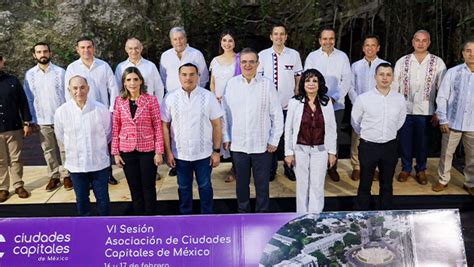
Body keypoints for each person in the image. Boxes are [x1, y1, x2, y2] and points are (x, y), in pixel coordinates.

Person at [223, 48, 284, 213]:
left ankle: (262, 215)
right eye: (244, 62)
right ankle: (243, 214)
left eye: (251, 61)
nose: (247, 65)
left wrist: (274, 140)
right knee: (241, 185)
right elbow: (225, 114)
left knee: (262, 185)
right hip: (238, 144)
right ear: (239, 63)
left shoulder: (267, 84)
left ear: (258, 64)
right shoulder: (231, 84)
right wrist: (226, 136)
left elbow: (277, 115)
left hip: (262, 145)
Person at [161, 63, 222, 214]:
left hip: (203, 153)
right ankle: (185, 218)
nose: (188, 78)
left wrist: (216, 151)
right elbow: (165, 126)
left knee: (205, 186)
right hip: (180, 154)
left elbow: (217, 125)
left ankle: (207, 217)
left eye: (192, 74)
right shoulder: (169, 98)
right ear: (179, 76)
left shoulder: (208, 96)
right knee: (184, 187)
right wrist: (168, 152)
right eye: (184, 74)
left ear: (198, 76)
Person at [393, 30, 446, 185]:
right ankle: (406, 168)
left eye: (424, 40)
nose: (420, 43)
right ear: (413, 42)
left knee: (423, 142)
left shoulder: (437, 62)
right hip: (405, 109)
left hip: (426, 110)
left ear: (429, 42)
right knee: (404, 141)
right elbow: (395, 86)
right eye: (418, 40)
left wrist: (439, 111)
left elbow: (443, 89)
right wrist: (395, 109)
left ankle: (421, 169)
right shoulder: (402, 61)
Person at [65, 36, 120, 185]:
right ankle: (88, 177)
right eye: (82, 47)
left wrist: (112, 110)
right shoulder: (72, 68)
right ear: (77, 50)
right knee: (85, 144)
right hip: (82, 113)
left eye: (89, 47)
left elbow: (113, 88)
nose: (86, 50)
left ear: (94, 48)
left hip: (101, 112)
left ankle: (108, 174)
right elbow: (68, 91)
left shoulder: (103, 66)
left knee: (104, 144)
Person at [352, 63, 406, 210]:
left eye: (388, 74)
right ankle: (362, 213)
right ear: (375, 77)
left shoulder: (399, 99)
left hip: (390, 146)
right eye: (381, 74)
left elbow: (400, 121)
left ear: (393, 78)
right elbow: (355, 122)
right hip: (369, 146)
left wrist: (388, 133)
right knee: (365, 183)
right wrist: (369, 135)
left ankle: (386, 213)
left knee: (387, 183)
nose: (385, 78)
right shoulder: (363, 98)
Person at [54, 75, 111, 216]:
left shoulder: (100, 109)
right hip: (76, 165)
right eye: (75, 88)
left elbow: (108, 133)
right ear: (69, 90)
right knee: (82, 199)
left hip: (99, 164)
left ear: (88, 89)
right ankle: (86, 229)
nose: (79, 91)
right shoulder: (62, 112)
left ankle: (105, 227)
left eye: (82, 87)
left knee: (103, 199)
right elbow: (60, 135)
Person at [112, 67, 164, 215]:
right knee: (134, 187)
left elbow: (157, 126)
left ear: (141, 81)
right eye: (128, 80)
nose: (132, 83)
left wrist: (159, 151)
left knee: (148, 186)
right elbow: (116, 127)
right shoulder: (119, 101)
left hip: (147, 149)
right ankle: (139, 217)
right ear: (124, 83)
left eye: (135, 79)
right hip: (127, 149)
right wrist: (115, 152)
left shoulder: (151, 100)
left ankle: (151, 216)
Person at [284, 69, 337, 213]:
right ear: (302, 83)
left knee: (317, 185)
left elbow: (331, 128)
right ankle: (301, 217)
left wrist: (332, 152)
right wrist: (288, 153)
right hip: (300, 149)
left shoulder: (327, 102)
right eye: (307, 80)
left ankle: (315, 218)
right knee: (302, 185)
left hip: (320, 150)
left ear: (320, 84)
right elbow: (288, 128)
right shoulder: (294, 102)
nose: (311, 84)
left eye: (315, 81)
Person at [159, 26, 209, 177]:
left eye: (181, 38)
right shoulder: (165, 56)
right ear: (171, 40)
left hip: (193, 99)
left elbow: (204, 77)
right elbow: (163, 78)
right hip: (173, 100)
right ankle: (176, 163)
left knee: (194, 129)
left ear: (186, 39)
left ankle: (198, 162)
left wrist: (193, 94)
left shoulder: (196, 54)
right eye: (175, 39)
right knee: (174, 130)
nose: (178, 41)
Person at [304, 26, 352, 182]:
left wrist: (334, 97)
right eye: (325, 38)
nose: (328, 41)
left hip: (336, 105)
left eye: (331, 38)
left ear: (334, 40)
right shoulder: (312, 57)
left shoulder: (342, 57)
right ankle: (315, 168)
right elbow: (308, 79)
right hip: (314, 104)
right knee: (314, 135)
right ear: (319, 40)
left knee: (333, 136)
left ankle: (332, 167)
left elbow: (346, 81)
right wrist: (317, 99)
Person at [24, 42, 72, 191]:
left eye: (45, 51)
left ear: (50, 53)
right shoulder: (29, 75)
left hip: (60, 118)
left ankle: (67, 175)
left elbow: (68, 95)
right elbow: (28, 98)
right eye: (39, 52)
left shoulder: (60, 72)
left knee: (65, 148)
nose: (42, 54)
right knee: (48, 150)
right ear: (34, 55)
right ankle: (54, 176)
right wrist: (30, 120)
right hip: (42, 119)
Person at [258, 24, 302, 182]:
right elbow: (259, 79)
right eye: (275, 34)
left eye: (282, 34)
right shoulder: (262, 55)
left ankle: (289, 167)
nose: (279, 37)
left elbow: (298, 76)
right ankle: (270, 169)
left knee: (288, 137)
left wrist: (297, 92)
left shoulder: (294, 55)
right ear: (271, 36)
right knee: (270, 137)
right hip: (268, 106)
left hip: (288, 104)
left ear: (286, 36)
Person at [432, 39, 474, 195]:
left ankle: (470, 182)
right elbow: (442, 96)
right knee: (447, 153)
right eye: (468, 50)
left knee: (472, 156)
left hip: (473, 124)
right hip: (452, 121)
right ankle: (443, 180)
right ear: (463, 53)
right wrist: (443, 118)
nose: (472, 54)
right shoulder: (453, 72)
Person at [348, 35, 388, 181]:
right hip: (359, 107)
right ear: (363, 48)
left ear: (378, 48)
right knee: (357, 137)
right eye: (367, 45)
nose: (370, 48)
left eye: (373, 45)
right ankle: (357, 166)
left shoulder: (385, 64)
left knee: (376, 138)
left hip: (378, 108)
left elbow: (387, 85)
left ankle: (375, 168)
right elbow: (350, 86)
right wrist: (358, 102)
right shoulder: (355, 66)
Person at [209, 29, 241, 183]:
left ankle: (236, 168)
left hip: (234, 103)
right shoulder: (215, 60)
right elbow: (213, 82)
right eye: (224, 40)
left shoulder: (240, 60)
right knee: (217, 133)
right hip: (217, 103)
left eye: (230, 40)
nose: (227, 44)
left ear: (234, 42)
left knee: (233, 134)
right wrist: (213, 97)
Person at [0, 54, 32, 202]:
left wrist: (26, 122)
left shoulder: (12, 81)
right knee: (0, 160)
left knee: (16, 158)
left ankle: (18, 185)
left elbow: (23, 102)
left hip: (14, 126)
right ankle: (3, 188)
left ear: (2, 63)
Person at [115, 37, 165, 104]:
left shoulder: (150, 66)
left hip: (148, 106)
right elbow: (118, 89)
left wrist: (156, 105)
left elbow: (159, 88)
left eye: (136, 48)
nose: (134, 51)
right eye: (130, 48)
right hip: (127, 107)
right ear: (126, 49)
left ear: (141, 48)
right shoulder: (120, 67)